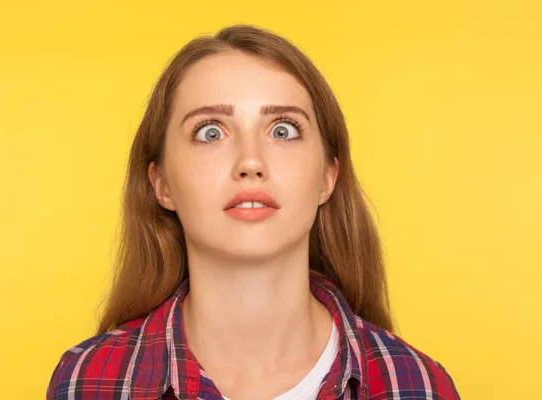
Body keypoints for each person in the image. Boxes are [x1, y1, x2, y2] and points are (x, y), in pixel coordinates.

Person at [46, 24, 460, 400]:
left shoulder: (420, 386)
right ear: (162, 183)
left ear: (327, 178)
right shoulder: (85, 382)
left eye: (283, 130)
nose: (250, 162)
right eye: (210, 132)